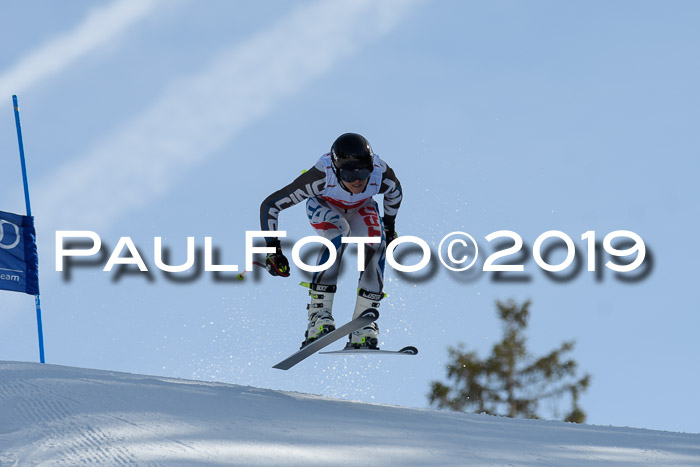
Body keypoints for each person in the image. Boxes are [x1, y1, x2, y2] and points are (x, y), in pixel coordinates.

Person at [259, 133, 402, 349]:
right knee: (339, 231)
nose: (356, 180)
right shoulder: (321, 177)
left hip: (362, 207)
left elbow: (396, 192)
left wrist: (389, 227)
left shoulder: (380, 173)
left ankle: (364, 320)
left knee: (376, 240)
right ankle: (318, 314)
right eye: (347, 174)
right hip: (325, 205)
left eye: (363, 172)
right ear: (336, 170)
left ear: (371, 166)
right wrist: (273, 250)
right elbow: (270, 205)